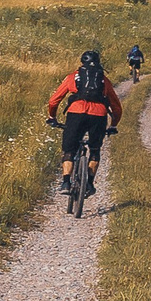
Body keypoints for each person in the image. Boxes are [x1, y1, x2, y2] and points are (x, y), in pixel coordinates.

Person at [45, 49, 122, 195]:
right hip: (99, 115)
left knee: (69, 149)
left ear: (82, 62)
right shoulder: (104, 80)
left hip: (76, 113)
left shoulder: (72, 77)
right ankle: (89, 184)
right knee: (94, 150)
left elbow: (53, 100)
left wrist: (52, 117)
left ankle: (66, 182)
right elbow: (116, 107)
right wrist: (113, 125)